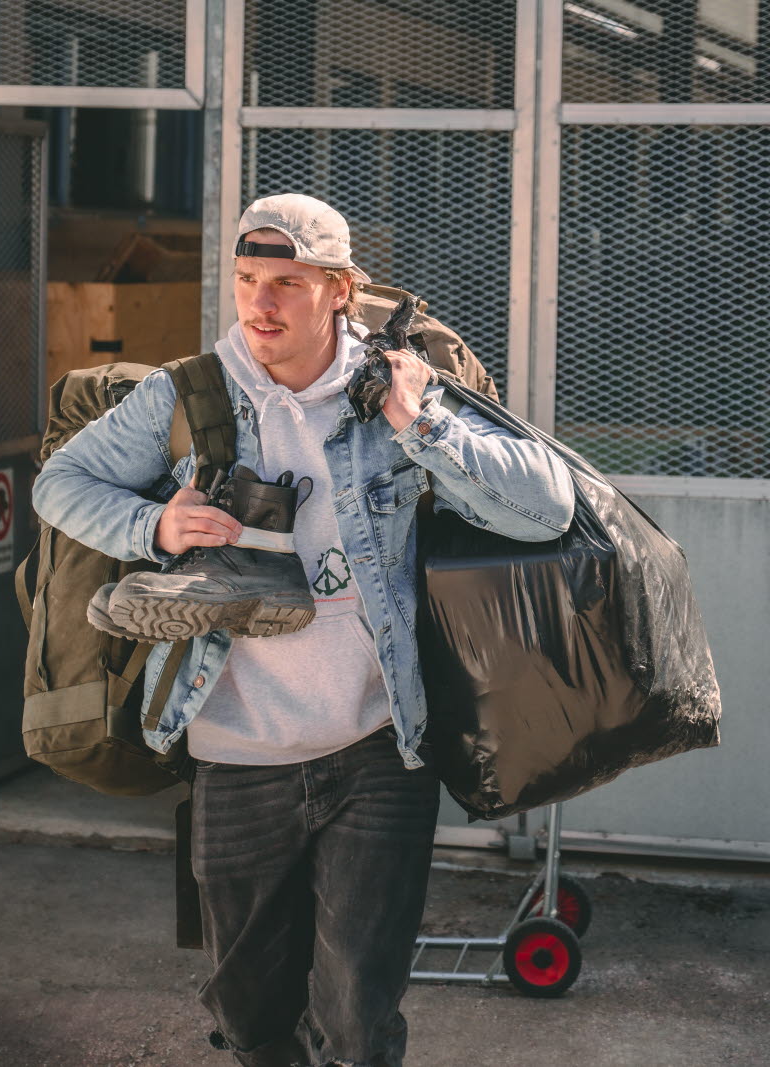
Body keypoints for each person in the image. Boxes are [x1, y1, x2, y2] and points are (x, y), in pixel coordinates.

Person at [32, 193, 575, 1067]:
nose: (261, 303)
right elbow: (60, 485)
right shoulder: (192, 393)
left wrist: (419, 420)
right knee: (250, 1016)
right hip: (235, 753)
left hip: (376, 748)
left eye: (287, 281)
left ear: (340, 291)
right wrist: (156, 528)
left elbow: (547, 507)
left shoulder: (395, 387)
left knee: (358, 1018)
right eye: (247, 279)